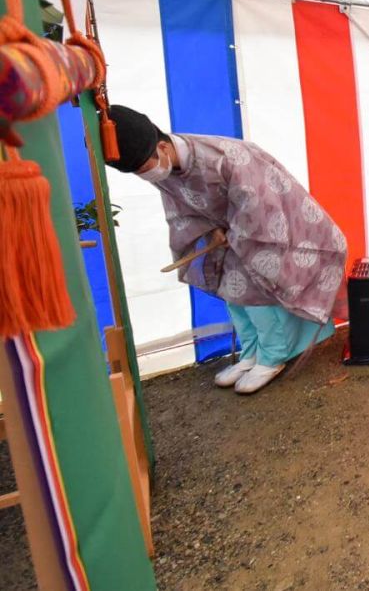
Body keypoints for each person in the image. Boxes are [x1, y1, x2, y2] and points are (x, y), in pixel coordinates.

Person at [104, 105, 346, 394]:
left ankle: (273, 356)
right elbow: (182, 208)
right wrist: (214, 230)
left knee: (256, 289)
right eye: (140, 174)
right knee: (230, 288)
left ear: (163, 147)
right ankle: (252, 353)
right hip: (229, 233)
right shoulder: (164, 170)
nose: (150, 176)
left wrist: (237, 233)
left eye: (147, 168)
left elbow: (259, 203)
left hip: (269, 228)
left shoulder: (226, 158)